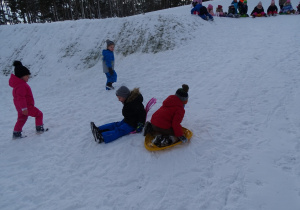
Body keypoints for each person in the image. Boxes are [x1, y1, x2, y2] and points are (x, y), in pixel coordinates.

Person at [9, 61, 45, 139]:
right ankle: (40, 129)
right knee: (39, 114)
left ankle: (16, 133)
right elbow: (21, 98)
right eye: (27, 76)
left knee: (21, 119)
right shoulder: (21, 85)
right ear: (21, 76)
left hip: (20, 108)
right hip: (26, 107)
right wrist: (24, 108)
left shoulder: (17, 85)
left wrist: (22, 108)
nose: (28, 77)